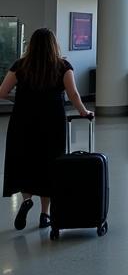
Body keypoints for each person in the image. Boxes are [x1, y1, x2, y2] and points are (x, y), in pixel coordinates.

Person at [0, 28, 93, 231]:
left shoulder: (21, 65)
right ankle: (45, 214)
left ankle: (26, 201)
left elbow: (2, 92)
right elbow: (74, 94)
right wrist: (84, 112)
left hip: (23, 120)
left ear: (31, 44)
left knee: (25, 160)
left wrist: (17, 99)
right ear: (54, 44)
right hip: (52, 121)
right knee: (50, 163)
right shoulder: (62, 65)